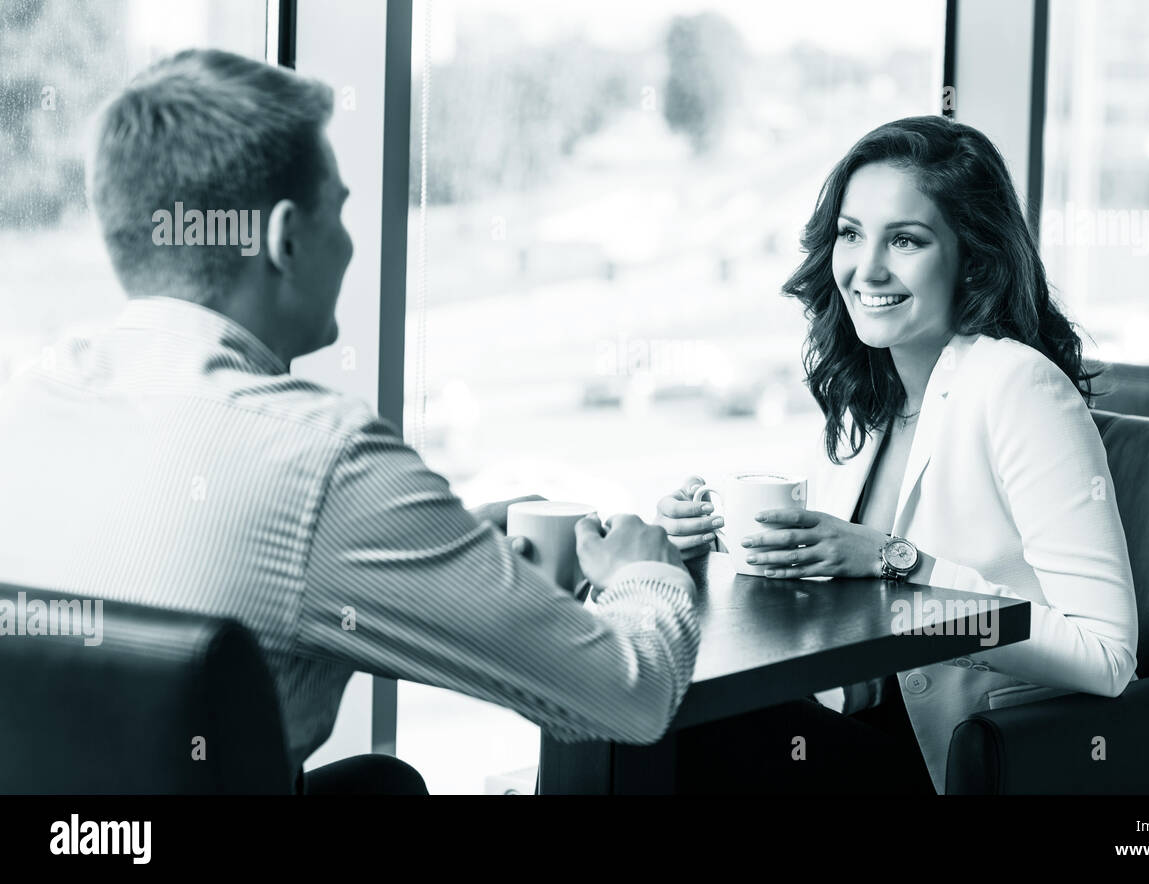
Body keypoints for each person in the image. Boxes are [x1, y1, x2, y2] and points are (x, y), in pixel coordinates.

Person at [0, 49, 699, 794]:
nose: (352, 241)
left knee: (380, 786)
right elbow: (630, 696)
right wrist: (645, 574)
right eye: (339, 207)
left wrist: (440, 543)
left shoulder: (30, 398)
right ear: (285, 239)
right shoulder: (320, 459)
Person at [656, 115, 1139, 794]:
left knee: (653, 718)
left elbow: (1107, 657)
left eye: (906, 240)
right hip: (853, 723)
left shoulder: (1018, 387)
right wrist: (699, 548)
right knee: (644, 694)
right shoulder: (868, 394)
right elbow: (831, 597)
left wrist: (897, 560)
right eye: (851, 234)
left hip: (950, 757)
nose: (867, 268)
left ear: (972, 257)